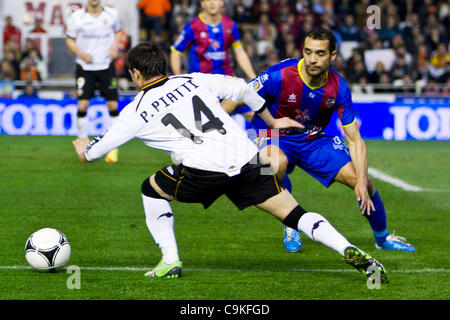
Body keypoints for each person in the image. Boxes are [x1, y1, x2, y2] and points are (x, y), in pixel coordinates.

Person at [72, 42, 388, 283]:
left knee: (151, 189)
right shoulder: (193, 80)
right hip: (247, 156)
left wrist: (83, 146)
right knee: (293, 212)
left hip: (202, 169)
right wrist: (271, 120)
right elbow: (241, 87)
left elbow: (94, 153)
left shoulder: (134, 109)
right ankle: (353, 251)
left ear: (136, 74)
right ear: (163, 65)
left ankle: (170, 261)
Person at [222, 27, 416, 253]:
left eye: (320, 53)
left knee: (364, 181)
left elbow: (354, 139)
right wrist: (210, 131)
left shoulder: (339, 87)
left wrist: (361, 181)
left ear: (333, 55)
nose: (312, 59)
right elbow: (238, 96)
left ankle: (382, 238)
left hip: (312, 140)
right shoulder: (280, 74)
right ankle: (291, 220)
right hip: (270, 134)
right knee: (274, 165)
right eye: (308, 52)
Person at [65, 0, 122, 163]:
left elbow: (118, 31)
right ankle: (82, 143)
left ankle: (113, 148)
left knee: (112, 106)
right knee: (82, 105)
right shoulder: (76, 17)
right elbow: (69, 40)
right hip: (85, 67)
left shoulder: (112, 14)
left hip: (106, 66)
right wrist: (80, 53)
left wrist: (114, 46)